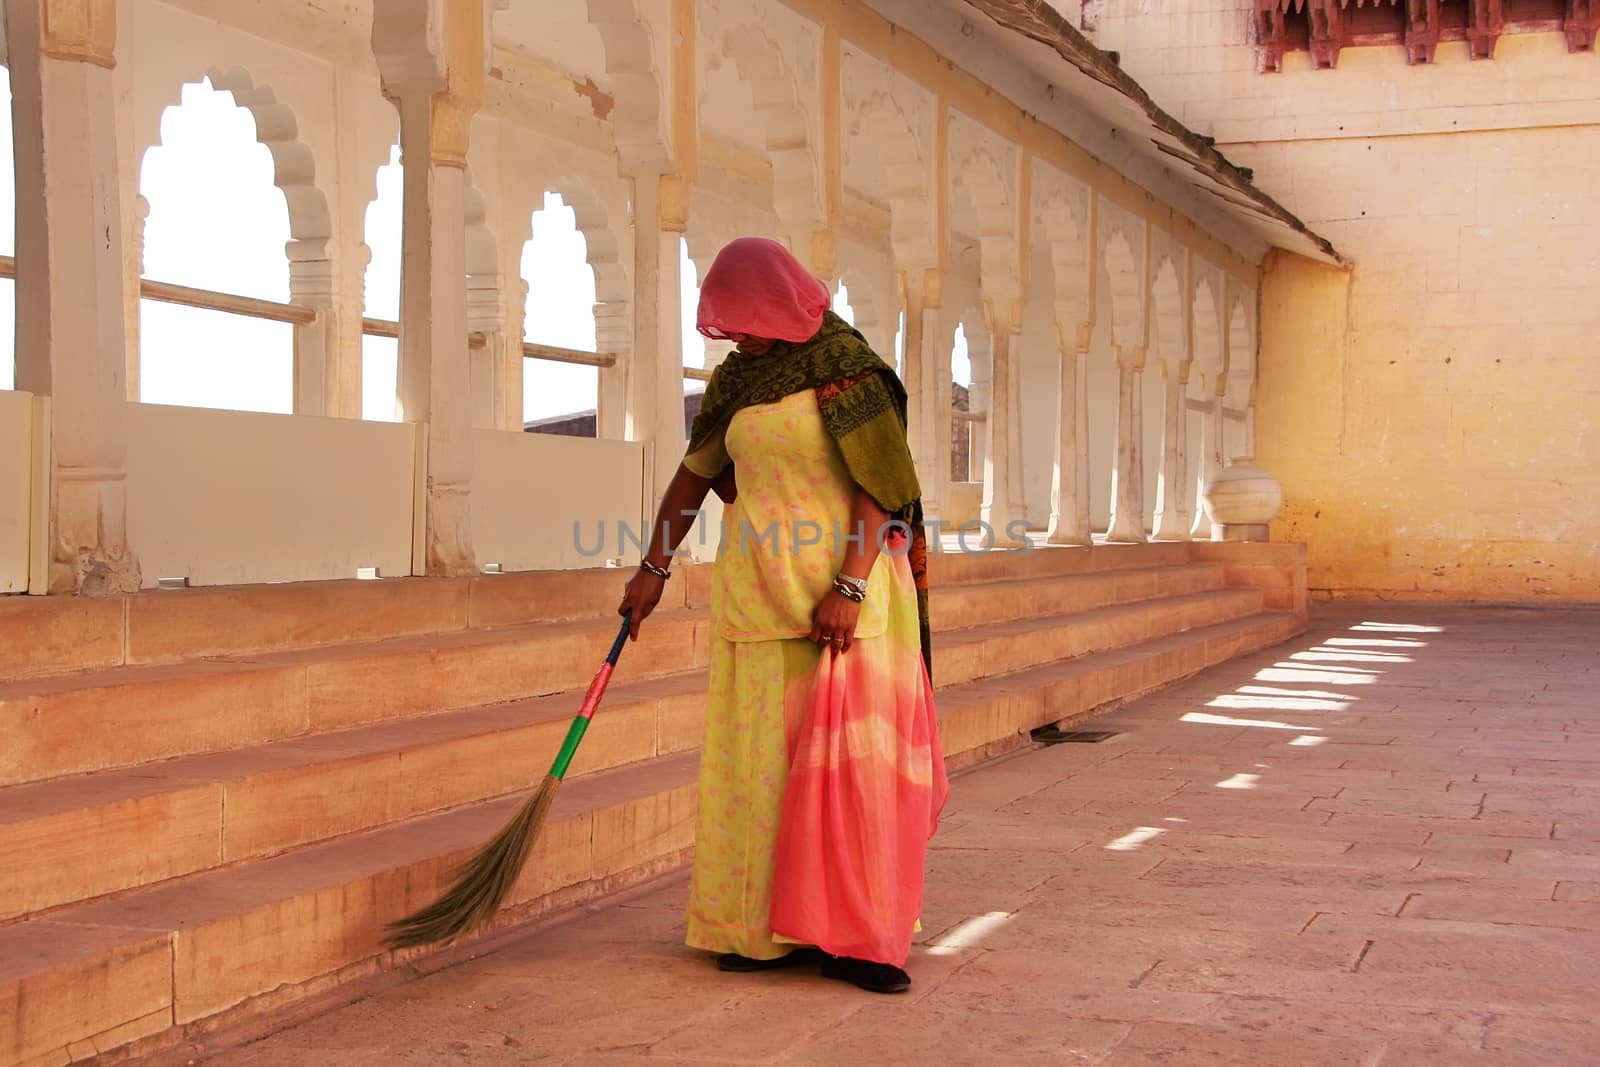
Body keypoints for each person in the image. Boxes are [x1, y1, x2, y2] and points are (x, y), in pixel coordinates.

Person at [617, 236, 948, 995]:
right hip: (758, 597)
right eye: (725, 323)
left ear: (776, 302)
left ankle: (858, 938)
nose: (733, 335)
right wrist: (652, 568)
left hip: (846, 600)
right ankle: (760, 929)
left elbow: (884, 485)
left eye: (741, 318)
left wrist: (852, 583)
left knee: (851, 775)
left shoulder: (846, 366)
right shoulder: (739, 380)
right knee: (757, 772)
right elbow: (692, 478)